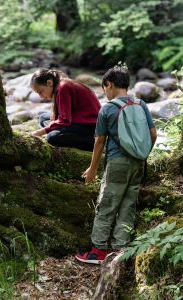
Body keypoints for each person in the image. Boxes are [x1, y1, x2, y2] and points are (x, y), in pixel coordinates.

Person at [75, 65, 157, 264]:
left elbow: (99, 141)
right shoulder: (141, 104)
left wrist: (92, 169)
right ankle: (120, 250)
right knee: (128, 204)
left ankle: (98, 252)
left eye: (104, 89)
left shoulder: (108, 109)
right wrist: (142, 153)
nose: (105, 93)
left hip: (117, 162)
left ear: (109, 84)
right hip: (139, 162)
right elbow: (153, 134)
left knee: (107, 205)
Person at [30, 69, 101, 151]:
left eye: (40, 92)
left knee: (52, 138)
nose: (41, 96)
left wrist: (39, 132)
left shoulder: (63, 87)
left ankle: (93, 143)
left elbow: (64, 121)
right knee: (42, 117)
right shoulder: (60, 85)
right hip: (75, 121)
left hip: (90, 127)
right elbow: (63, 117)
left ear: (49, 83)